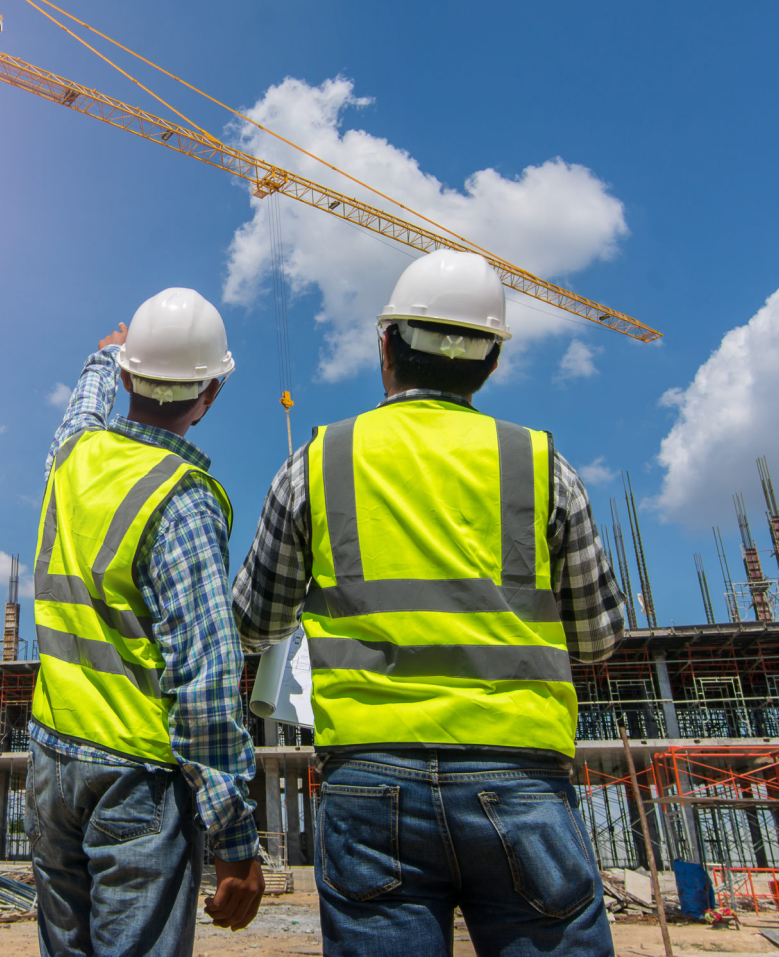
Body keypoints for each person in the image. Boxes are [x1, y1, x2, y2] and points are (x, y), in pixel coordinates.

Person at [232, 250, 627, 957]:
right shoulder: (538, 463)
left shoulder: (317, 461)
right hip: (520, 774)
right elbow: (598, 637)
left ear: (386, 345)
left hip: (370, 774)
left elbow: (253, 620)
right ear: (492, 360)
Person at [28, 287, 265, 957]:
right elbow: (205, 680)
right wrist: (233, 837)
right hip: (136, 776)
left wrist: (101, 359)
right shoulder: (182, 500)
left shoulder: (72, 456)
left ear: (130, 375)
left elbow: (80, 409)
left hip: (50, 761)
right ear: (209, 393)